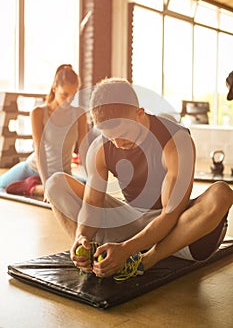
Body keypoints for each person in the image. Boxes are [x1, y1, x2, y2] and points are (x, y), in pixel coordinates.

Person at [45, 77, 233, 281]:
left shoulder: (176, 141)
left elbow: (170, 215)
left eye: (123, 133)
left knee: (221, 193)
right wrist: (82, 236)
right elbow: (92, 204)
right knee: (56, 183)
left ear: (139, 113)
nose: (117, 144)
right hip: (133, 222)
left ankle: (145, 261)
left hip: (178, 233)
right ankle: (95, 256)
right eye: (110, 137)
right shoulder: (100, 148)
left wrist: (127, 249)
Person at [0, 64, 88, 200]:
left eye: (73, 95)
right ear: (54, 88)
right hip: (33, 169)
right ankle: (35, 186)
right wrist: (46, 184)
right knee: (1, 185)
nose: (69, 100)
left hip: (62, 175)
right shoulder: (38, 113)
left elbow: (84, 149)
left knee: (88, 189)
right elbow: (39, 149)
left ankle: (33, 187)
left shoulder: (80, 114)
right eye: (65, 94)